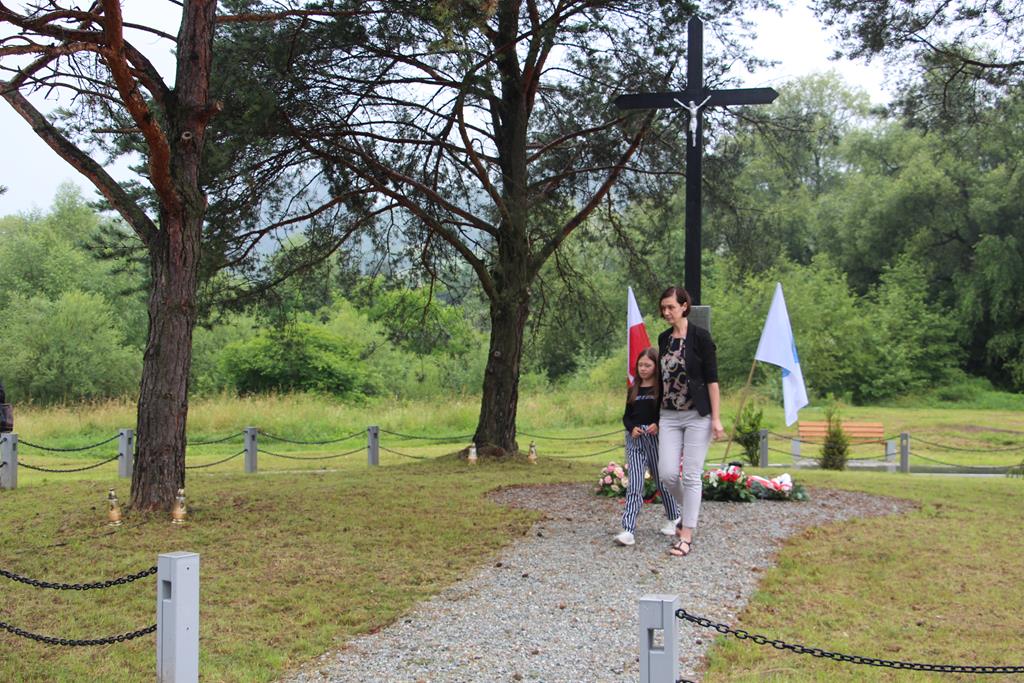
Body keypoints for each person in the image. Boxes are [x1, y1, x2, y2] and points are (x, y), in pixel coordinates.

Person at [656, 286, 725, 557]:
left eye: (671, 307)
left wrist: (716, 419)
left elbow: (712, 381)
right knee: (667, 473)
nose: (666, 312)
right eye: (663, 308)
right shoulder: (663, 339)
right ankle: (690, 512)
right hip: (669, 415)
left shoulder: (701, 338)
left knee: (691, 475)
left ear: (684, 306)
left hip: (698, 415)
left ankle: (686, 535)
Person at [615, 347, 680, 546]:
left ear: (655, 366)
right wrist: (631, 428)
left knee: (662, 481)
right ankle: (628, 529)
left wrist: (658, 424)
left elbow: (668, 413)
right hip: (635, 440)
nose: (643, 369)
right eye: (640, 365)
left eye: (647, 365)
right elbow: (627, 416)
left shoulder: (662, 390)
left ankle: (674, 517)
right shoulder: (633, 389)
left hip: (655, 440)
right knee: (635, 484)